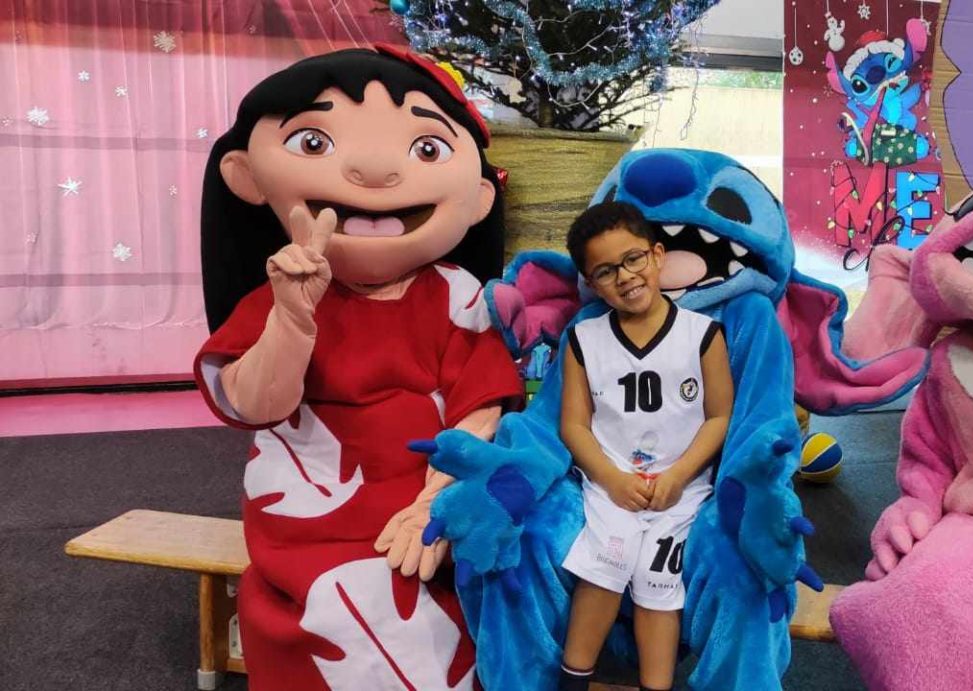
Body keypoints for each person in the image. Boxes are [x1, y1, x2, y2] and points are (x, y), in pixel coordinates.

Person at [194, 46, 519, 690]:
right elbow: (254, 404)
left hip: (423, 491)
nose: (374, 171)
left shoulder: (458, 296)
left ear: (481, 197)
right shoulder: (274, 294)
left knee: (443, 605)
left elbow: (482, 407)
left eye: (427, 148)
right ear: (245, 175)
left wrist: (437, 499)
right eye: (313, 142)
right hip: (309, 505)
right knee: (312, 606)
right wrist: (292, 317)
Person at [555, 202, 733, 691]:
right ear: (591, 283)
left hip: (682, 487)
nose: (625, 276)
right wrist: (612, 480)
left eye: (633, 259)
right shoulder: (584, 339)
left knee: (659, 583)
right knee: (603, 568)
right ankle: (572, 680)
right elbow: (574, 425)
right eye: (606, 271)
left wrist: (678, 476)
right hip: (611, 482)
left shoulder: (702, 334)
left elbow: (719, 416)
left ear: (656, 256)